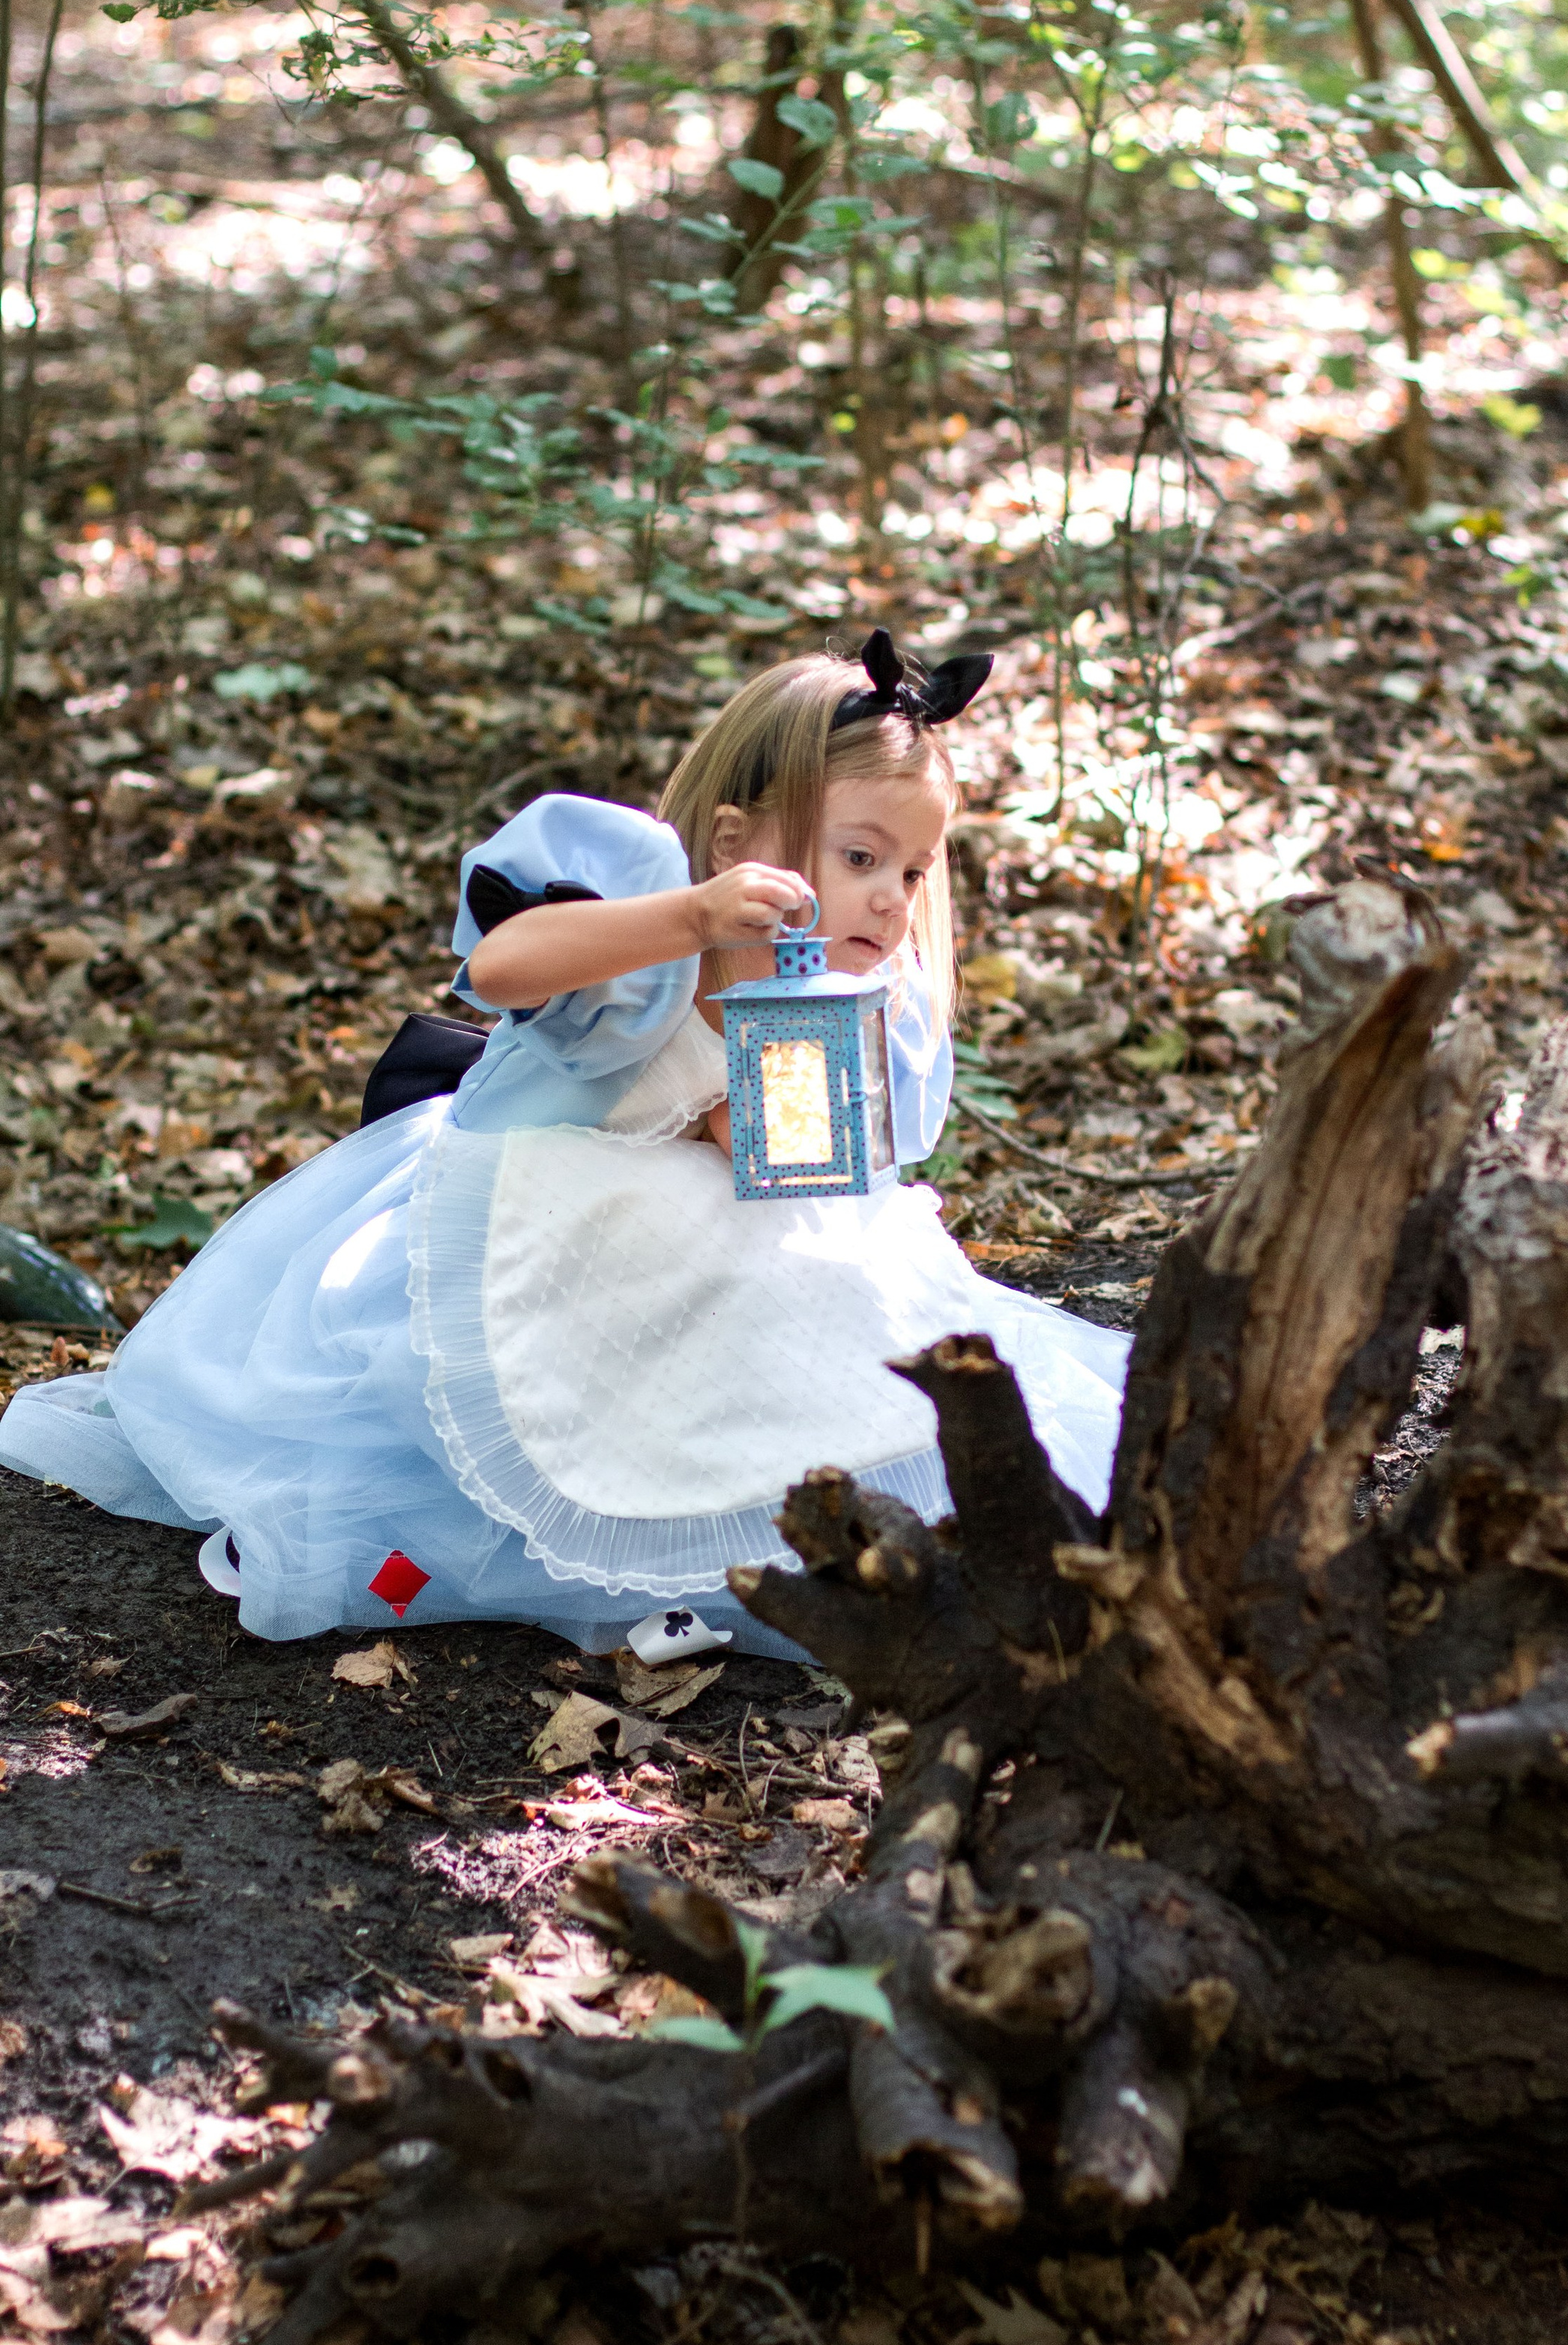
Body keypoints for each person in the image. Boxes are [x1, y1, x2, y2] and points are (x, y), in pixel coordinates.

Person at [0, 634, 1130, 1660]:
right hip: (533, 1216)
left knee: (844, 1291)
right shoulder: (648, 923)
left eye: (914, 872)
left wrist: (763, 1114)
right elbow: (501, 970)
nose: (889, 899)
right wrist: (690, 921)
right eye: (859, 857)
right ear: (737, 843)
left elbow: (758, 1156)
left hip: (684, 1244)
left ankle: (825, 1516)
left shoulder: (831, 993)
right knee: (619, 1280)